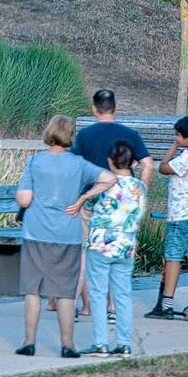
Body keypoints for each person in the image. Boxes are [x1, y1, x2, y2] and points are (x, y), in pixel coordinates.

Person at [15, 115, 114, 359]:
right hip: (68, 235)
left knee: (33, 290)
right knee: (65, 292)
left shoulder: (35, 161)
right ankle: (67, 345)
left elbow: (24, 199)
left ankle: (29, 342)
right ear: (71, 135)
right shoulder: (79, 164)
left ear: (48, 132)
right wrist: (83, 198)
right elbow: (109, 178)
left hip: (36, 232)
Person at [66, 89, 154, 318]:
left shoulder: (85, 135)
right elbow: (148, 164)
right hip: (122, 203)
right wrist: (140, 190)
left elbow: (73, 166)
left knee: (84, 254)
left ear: (94, 109)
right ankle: (113, 308)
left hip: (92, 199)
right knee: (118, 253)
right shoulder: (130, 134)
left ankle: (72, 305)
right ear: (116, 108)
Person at [70, 140, 149, 357]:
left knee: (97, 293)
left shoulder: (104, 185)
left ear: (110, 161)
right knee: (122, 294)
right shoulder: (140, 188)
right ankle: (124, 343)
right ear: (132, 162)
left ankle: (100, 343)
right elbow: (139, 214)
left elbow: (88, 206)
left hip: (100, 245)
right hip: (125, 246)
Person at [148, 115, 188, 322]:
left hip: (182, 214)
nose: (175, 138)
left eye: (178, 135)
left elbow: (163, 167)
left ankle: (166, 305)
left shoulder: (187, 157)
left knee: (173, 257)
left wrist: (173, 147)